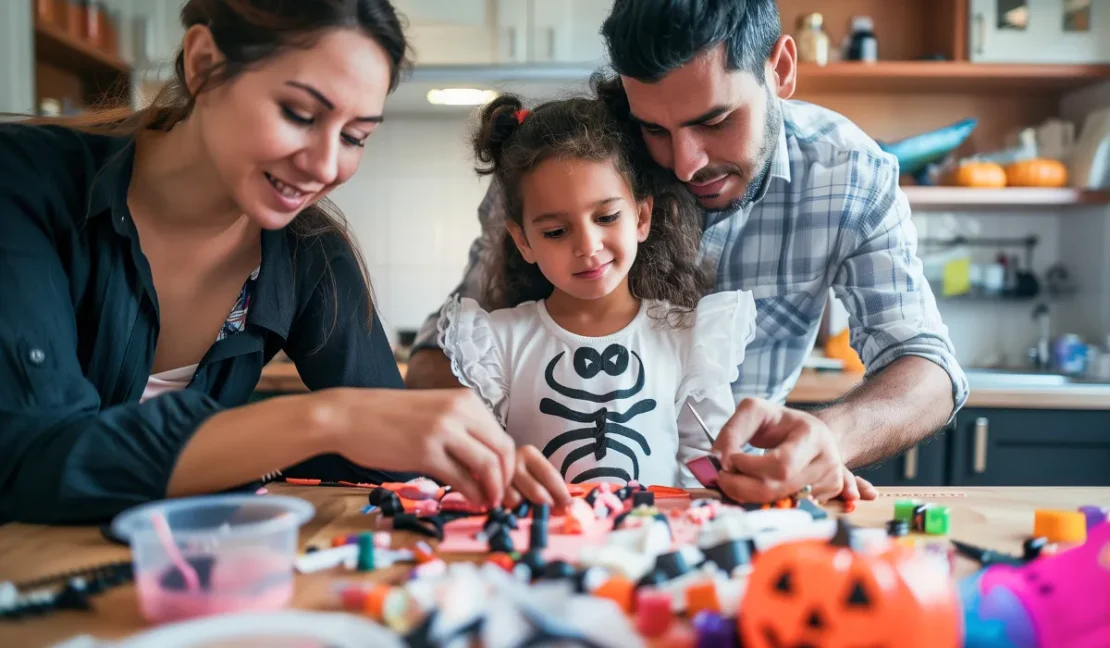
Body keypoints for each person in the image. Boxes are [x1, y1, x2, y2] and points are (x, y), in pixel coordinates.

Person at [407, 0, 968, 505]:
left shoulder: (852, 176)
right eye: (652, 128)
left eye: (715, 121)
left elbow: (927, 366)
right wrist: (489, 447)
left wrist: (829, 437)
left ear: (781, 68)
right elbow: (439, 353)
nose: (685, 163)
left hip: (733, 503)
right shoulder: (564, 170)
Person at [0, 0, 516, 525]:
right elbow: (32, 455)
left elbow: (388, 451)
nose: (324, 165)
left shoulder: (309, 251)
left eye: (355, 137)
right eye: (298, 114)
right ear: (203, 64)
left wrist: (455, 451)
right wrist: (326, 419)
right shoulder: (21, 182)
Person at [436, 91, 759, 509]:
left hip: (652, 547)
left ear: (642, 217)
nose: (587, 246)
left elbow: (712, 465)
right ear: (523, 241)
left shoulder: (688, 338)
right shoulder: (495, 344)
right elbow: (477, 464)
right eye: (555, 231)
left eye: (606, 217)